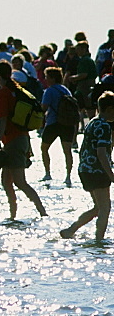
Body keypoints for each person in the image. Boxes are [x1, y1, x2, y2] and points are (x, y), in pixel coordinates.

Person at [0, 61, 47, 221]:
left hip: (13, 141)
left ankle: (42, 212)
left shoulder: (3, 92)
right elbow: (11, 118)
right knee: (6, 181)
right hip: (21, 139)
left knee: (19, 181)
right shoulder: (16, 89)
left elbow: (2, 119)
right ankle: (12, 215)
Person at [61, 91, 114, 241]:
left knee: (98, 207)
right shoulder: (104, 126)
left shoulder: (92, 122)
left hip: (85, 170)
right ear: (110, 109)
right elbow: (101, 153)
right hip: (97, 171)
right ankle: (99, 240)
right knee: (105, 207)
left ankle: (70, 230)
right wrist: (111, 175)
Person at [39, 66, 76, 187]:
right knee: (67, 151)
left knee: (44, 148)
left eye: (47, 77)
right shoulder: (66, 90)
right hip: (68, 123)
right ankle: (68, 176)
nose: (45, 79)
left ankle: (47, 173)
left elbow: (44, 108)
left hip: (53, 123)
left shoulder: (49, 91)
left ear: (52, 78)